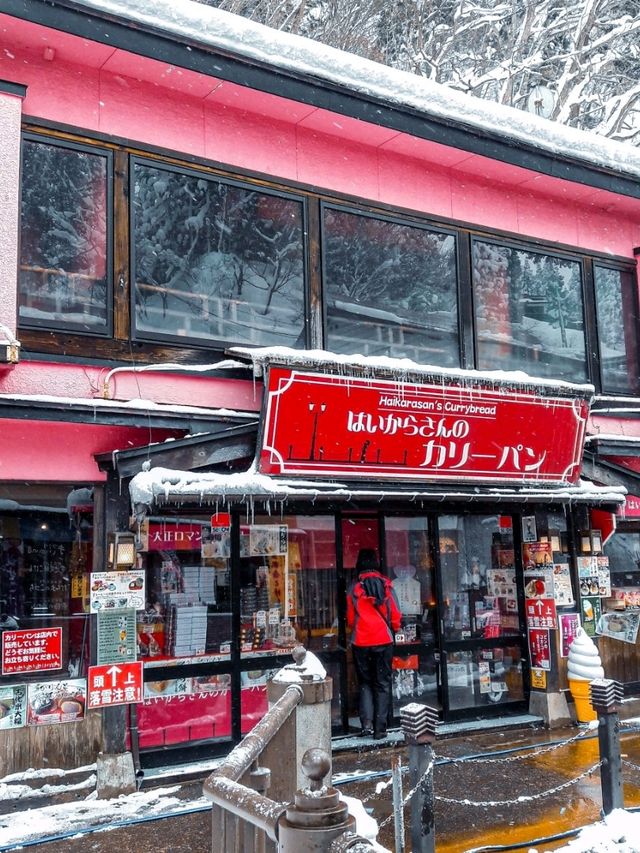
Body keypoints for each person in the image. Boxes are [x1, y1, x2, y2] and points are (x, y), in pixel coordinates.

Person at [346, 548, 401, 740]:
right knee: (383, 684)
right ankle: (380, 729)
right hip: (384, 641)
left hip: (361, 642)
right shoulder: (387, 586)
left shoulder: (354, 589)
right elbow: (395, 615)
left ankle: (366, 725)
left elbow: (351, 620)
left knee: (365, 683)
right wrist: (395, 627)